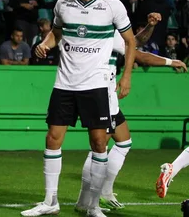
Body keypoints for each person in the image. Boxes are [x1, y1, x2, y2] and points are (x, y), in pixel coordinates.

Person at [21, 0, 136, 217]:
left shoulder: (112, 6)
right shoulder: (62, 4)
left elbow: (130, 42)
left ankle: (92, 205)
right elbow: (57, 33)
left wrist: (126, 76)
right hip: (65, 83)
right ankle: (50, 202)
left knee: (98, 142)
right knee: (52, 138)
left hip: (95, 86)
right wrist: (45, 44)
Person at [74, 12, 187, 211]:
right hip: (100, 94)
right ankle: (85, 202)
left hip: (107, 95)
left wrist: (150, 26)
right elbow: (140, 55)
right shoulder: (99, 34)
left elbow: (133, 42)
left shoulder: (104, 31)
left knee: (123, 141)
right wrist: (171, 62)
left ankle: (105, 192)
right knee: (99, 147)